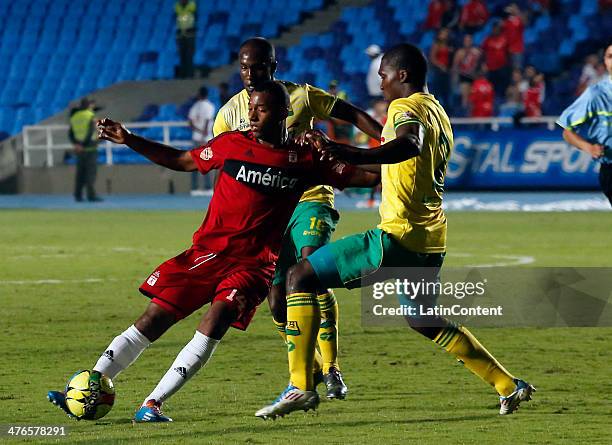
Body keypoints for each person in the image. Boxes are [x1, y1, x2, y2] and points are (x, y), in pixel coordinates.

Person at [47, 81, 379, 422]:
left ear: (284, 112)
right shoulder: (231, 144)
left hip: (252, 267)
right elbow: (180, 160)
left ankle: (152, 404)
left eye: (260, 109)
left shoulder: (307, 159)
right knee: (152, 318)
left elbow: (369, 176)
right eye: (250, 107)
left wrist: (356, 150)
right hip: (206, 253)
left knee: (214, 322)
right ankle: (89, 384)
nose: (251, 114)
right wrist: (129, 138)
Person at [257, 43, 535, 419]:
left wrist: (347, 150)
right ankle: (507, 384)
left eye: (383, 77)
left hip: (396, 238)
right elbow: (394, 164)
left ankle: (301, 386)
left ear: (401, 76)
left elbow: (406, 144)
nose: (381, 85)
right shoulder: (438, 111)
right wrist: (333, 161)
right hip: (431, 240)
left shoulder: (404, 108)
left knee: (300, 275)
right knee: (423, 319)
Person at [213, 37, 383, 400]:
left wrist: (386, 144)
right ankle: (314, 368)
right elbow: (226, 166)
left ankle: (333, 369)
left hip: (311, 196)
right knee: (275, 298)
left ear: (272, 66)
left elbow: (349, 113)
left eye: (257, 66)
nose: (249, 73)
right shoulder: (228, 114)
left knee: (310, 270)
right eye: (243, 67)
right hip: (269, 209)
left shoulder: (302, 96)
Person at [557, 42, 612, 205]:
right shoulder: (596, 94)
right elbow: (567, 131)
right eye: (610, 57)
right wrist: (589, 147)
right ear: (605, 62)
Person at [69, 98, 102, 202]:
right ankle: (91, 195)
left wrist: (76, 144)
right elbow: (90, 132)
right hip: (90, 148)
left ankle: (77, 195)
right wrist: (83, 144)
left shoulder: (74, 117)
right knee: (90, 174)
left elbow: (70, 133)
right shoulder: (90, 116)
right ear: (89, 105)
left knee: (80, 173)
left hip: (79, 150)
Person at [188, 86, 216, 195]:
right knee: (207, 163)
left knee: (194, 163)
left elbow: (190, 122)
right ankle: (208, 188)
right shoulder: (210, 106)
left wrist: (198, 131)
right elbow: (208, 121)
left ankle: (194, 189)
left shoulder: (195, 106)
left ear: (199, 94)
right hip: (206, 139)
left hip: (196, 138)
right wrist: (204, 133)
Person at [451, 34, 481, 110]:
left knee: (475, 95)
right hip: (464, 77)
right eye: (466, 41)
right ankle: (464, 110)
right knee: (465, 94)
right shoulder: (459, 53)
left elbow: (479, 65)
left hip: (474, 76)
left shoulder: (476, 52)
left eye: (469, 40)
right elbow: (455, 67)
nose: (467, 42)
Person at [482, 21, 510, 95]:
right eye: (494, 28)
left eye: (497, 28)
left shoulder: (504, 39)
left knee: (502, 87)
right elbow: (483, 52)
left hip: (502, 67)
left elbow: (508, 53)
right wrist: (484, 63)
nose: (495, 30)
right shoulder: (487, 39)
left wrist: (507, 65)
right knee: (491, 88)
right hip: (491, 68)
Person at [429, 28, 452, 106]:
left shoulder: (448, 45)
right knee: (437, 91)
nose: (445, 35)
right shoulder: (436, 45)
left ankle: (447, 110)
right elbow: (432, 58)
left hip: (446, 71)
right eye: (443, 33)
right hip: (438, 71)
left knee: (446, 91)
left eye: (446, 33)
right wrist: (440, 66)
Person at [174, 0, 196, 78]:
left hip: (190, 33)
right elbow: (176, 17)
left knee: (189, 55)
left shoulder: (192, 5)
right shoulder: (177, 6)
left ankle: (190, 74)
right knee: (182, 55)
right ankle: (183, 75)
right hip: (180, 34)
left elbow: (195, 17)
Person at [503, 3, 525, 69]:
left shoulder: (519, 19)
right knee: (509, 69)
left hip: (518, 49)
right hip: (508, 49)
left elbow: (524, 22)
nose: (513, 9)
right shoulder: (507, 21)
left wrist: (517, 13)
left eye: (515, 8)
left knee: (518, 69)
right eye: (512, 8)